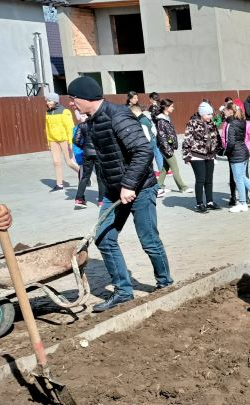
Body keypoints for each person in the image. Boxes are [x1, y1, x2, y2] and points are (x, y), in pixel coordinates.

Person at [67, 76, 173, 312]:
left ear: (84, 97)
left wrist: (129, 185)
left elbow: (143, 152)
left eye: (73, 100)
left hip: (141, 188)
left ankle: (165, 284)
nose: (72, 104)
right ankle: (123, 291)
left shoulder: (119, 115)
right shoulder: (92, 121)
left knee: (149, 241)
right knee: (104, 238)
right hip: (115, 191)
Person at [222, 101, 250, 213]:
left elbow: (230, 142)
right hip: (243, 152)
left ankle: (243, 203)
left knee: (238, 179)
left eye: (225, 110)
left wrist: (226, 152)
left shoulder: (231, 124)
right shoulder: (241, 122)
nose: (223, 112)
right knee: (243, 177)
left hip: (236, 154)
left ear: (230, 111)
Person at [182, 102, 222, 213]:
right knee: (200, 179)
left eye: (211, 114)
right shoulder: (193, 123)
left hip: (210, 155)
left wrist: (218, 150)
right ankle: (199, 203)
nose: (210, 116)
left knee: (209, 180)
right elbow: (187, 139)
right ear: (202, 113)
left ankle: (209, 202)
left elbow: (216, 138)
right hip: (196, 155)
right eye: (208, 114)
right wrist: (186, 156)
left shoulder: (212, 124)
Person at [153, 99, 193, 197]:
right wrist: (168, 150)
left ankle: (159, 186)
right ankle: (183, 187)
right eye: (171, 106)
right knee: (175, 168)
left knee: (165, 168)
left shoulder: (166, 118)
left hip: (168, 147)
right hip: (166, 148)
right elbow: (162, 138)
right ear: (166, 107)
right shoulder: (161, 121)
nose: (173, 108)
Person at [44, 92, 80, 191]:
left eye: (49, 100)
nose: (47, 102)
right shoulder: (48, 112)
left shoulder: (65, 112)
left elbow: (70, 128)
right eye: (47, 100)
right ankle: (59, 184)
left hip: (64, 139)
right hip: (53, 140)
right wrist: (48, 142)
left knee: (69, 162)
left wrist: (70, 142)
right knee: (56, 162)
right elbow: (47, 128)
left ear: (55, 101)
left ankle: (83, 175)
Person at [73, 118, 107, 209]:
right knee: (101, 177)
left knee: (85, 176)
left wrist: (84, 147)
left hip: (87, 153)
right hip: (99, 153)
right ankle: (101, 201)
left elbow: (75, 140)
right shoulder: (100, 123)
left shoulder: (82, 125)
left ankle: (79, 199)